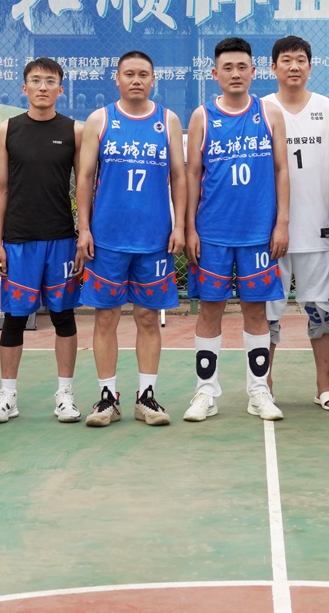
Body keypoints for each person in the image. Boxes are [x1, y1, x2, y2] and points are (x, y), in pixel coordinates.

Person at [182, 38, 291, 422]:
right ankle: (205, 392)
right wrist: (189, 227)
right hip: (212, 231)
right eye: (227, 68)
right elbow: (192, 174)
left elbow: (281, 170)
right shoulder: (202, 116)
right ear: (214, 73)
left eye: (242, 67)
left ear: (253, 71)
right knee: (209, 309)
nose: (235, 74)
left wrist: (282, 222)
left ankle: (258, 391)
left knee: (255, 310)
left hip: (258, 232)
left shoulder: (269, 113)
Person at [77, 52, 186, 427]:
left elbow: (179, 176)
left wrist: (179, 226)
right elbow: (85, 176)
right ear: (117, 78)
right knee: (105, 317)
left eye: (143, 74)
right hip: (107, 238)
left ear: (153, 79)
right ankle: (107, 397)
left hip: (154, 238)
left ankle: (147, 397)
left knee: (147, 318)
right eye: (129, 74)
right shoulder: (100, 119)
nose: (136, 80)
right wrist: (84, 228)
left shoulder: (167, 120)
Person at [0, 58, 84, 424]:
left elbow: (84, 185)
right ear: (24, 88)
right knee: (14, 319)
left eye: (50, 81)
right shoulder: (6, 129)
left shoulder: (75, 130)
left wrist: (82, 235)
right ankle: (7, 396)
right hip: (18, 239)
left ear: (61, 89)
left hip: (60, 238)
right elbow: (0, 188)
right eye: (36, 81)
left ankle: (65, 395)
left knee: (63, 317)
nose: (43, 87)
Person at [266, 36, 329, 410]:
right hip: (271, 233)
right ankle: (262, 386)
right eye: (286, 60)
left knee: (322, 311)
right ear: (273, 68)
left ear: (310, 67)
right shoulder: (261, 109)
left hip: (319, 229)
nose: (294, 66)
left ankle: (324, 386)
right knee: (267, 312)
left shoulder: (327, 109)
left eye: (301, 60)